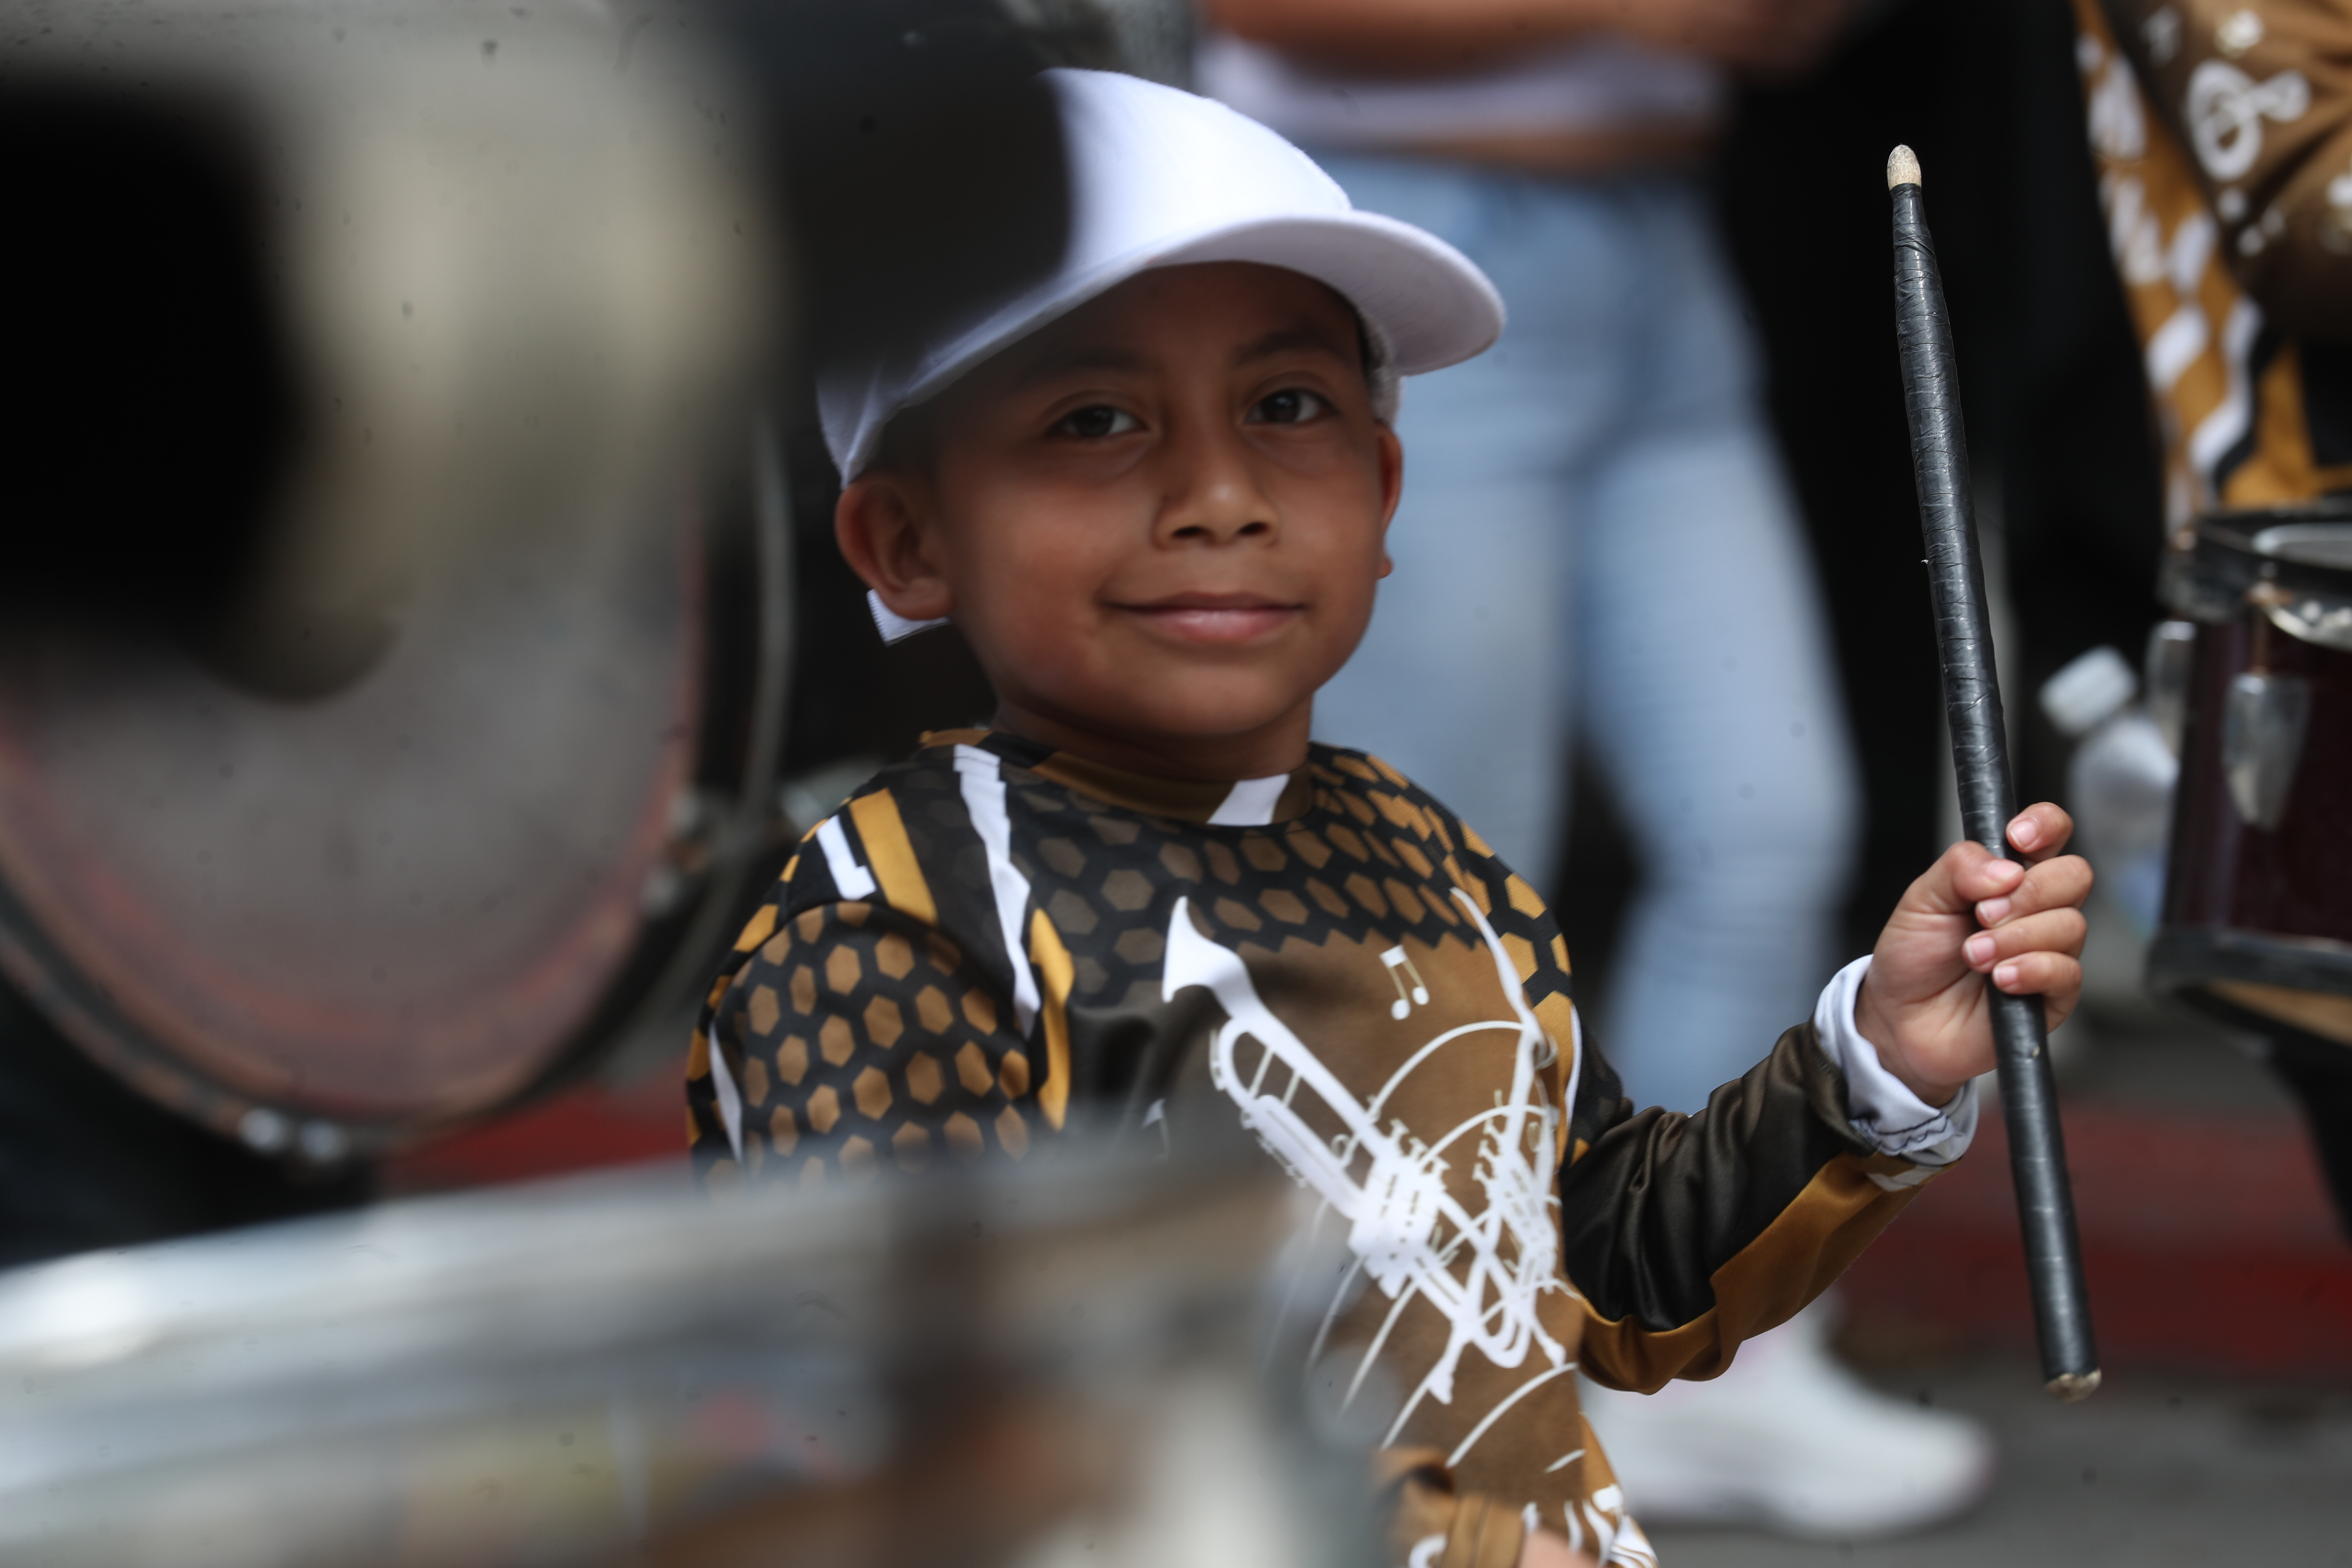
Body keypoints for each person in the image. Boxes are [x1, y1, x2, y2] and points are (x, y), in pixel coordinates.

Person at [686, 71, 2092, 1568]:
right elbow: (919, 1459)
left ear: (1384, 484)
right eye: (1095, 421)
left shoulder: (1422, 858)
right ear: (903, 542)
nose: (1219, 493)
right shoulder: (894, 930)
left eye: (1288, 408)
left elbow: (1599, 1275)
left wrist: (1874, 1056)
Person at [1194, 0, 1995, 1536]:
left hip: (1659, 239)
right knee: (1426, 884)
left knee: (1767, 827)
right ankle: (1388, 1399)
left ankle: (1696, 1376)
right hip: (1403, 221)